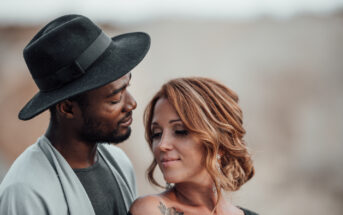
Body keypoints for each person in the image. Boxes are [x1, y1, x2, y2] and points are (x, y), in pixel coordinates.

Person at [0, 14, 150, 215]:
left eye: (127, 87)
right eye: (115, 98)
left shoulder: (119, 163)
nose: (131, 103)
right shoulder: (25, 191)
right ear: (68, 108)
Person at [129, 77, 257, 215]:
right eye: (157, 134)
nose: (162, 145)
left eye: (180, 131)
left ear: (220, 143)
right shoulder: (151, 209)